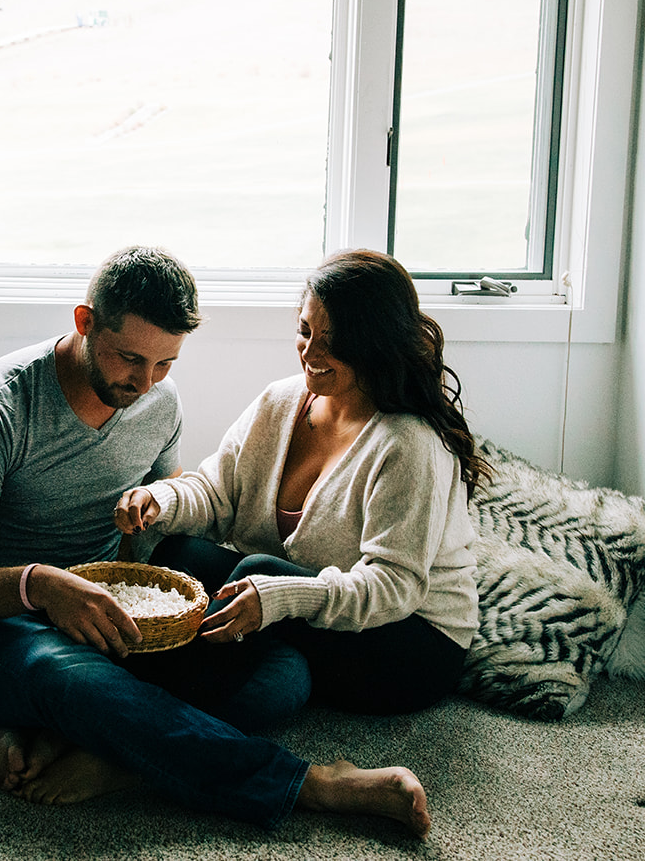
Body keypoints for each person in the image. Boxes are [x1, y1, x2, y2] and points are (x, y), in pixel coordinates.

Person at [0, 245, 433, 835]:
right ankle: (310, 784)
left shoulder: (158, 400)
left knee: (284, 675)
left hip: (105, 608)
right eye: (129, 359)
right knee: (71, 677)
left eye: (164, 364)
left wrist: (158, 509)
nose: (145, 381)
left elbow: (180, 511)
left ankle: (45, 723)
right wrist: (42, 587)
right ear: (85, 323)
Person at [116, 248, 487, 717]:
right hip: (317, 606)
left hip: (410, 642)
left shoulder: (408, 442)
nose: (311, 354)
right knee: (177, 557)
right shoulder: (281, 401)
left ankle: (142, 721)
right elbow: (215, 493)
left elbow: (395, 586)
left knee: (257, 572)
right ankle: (246, 674)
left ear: (376, 342)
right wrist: (159, 499)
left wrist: (282, 597)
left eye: (334, 341)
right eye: (305, 331)